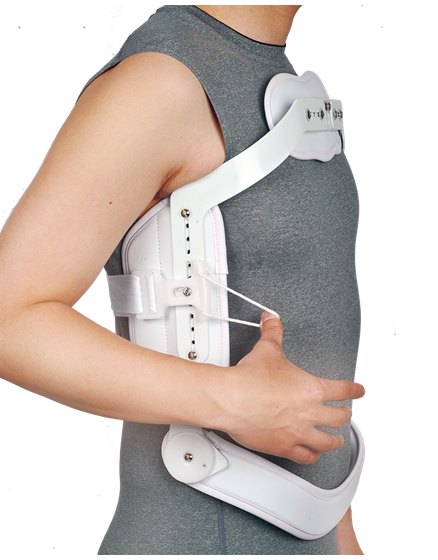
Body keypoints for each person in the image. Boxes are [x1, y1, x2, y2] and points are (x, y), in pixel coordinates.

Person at [0, 5, 364, 555]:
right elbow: (9, 319)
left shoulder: (271, 74)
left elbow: (314, 338)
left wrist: (340, 535)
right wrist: (229, 400)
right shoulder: (161, 83)